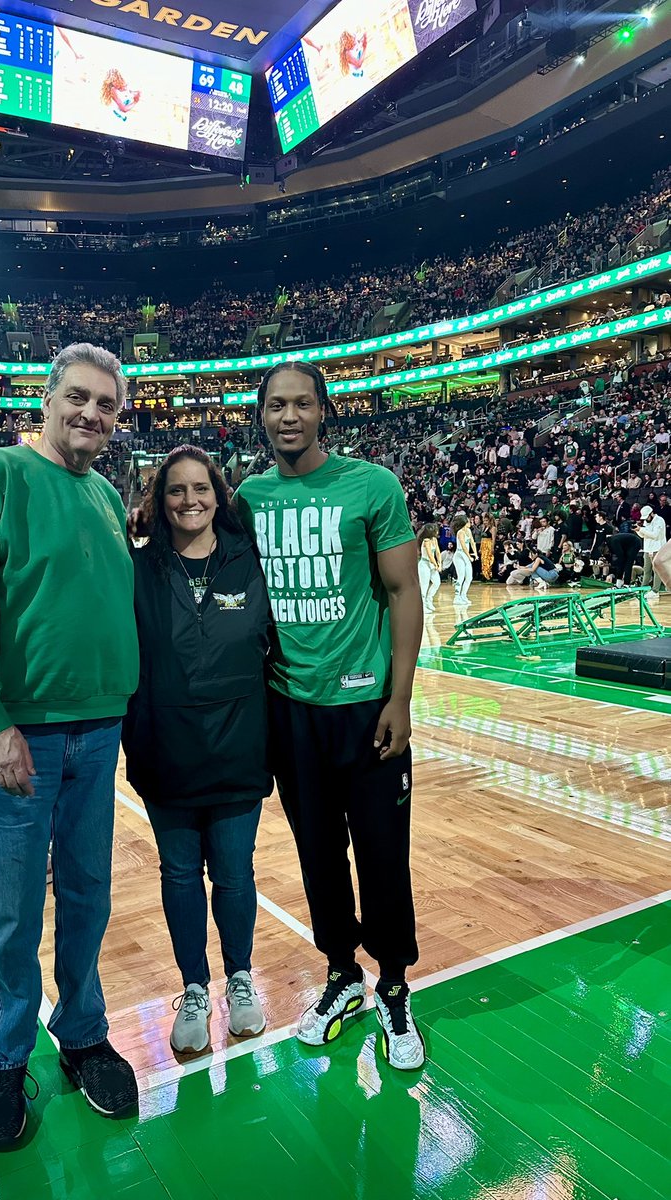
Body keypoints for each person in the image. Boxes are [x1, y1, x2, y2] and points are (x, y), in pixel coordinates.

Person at [0, 344, 140, 1150]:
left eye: (107, 406)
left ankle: (82, 1032)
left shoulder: (106, 499)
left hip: (100, 728)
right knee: (15, 908)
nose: (92, 414)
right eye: (79, 398)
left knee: (88, 893)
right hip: (22, 736)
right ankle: (6, 1057)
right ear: (47, 400)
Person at [236, 362, 426, 1071]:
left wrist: (400, 698)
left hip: (367, 710)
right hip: (290, 713)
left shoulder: (371, 486)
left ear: (323, 412)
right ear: (261, 416)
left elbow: (405, 593)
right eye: (277, 405)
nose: (289, 416)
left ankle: (396, 984)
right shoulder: (247, 498)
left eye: (302, 404)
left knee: (382, 854)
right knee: (317, 854)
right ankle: (342, 973)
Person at [123, 446, 272, 1054]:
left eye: (201, 489)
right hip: (167, 751)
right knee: (181, 875)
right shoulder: (139, 568)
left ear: (219, 494)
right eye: (176, 491)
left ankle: (240, 976)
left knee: (234, 874)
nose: (190, 500)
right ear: (159, 502)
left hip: (238, 747)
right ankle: (193, 986)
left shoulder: (252, 561)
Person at [636, 505, 667, 599]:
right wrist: (638, 530)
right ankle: (643, 589)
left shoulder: (659, 520)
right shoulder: (646, 521)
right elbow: (643, 535)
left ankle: (655, 591)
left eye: (647, 517)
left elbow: (654, 535)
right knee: (647, 570)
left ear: (651, 514)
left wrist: (641, 529)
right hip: (647, 549)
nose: (646, 519)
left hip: (657, 549)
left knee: (657, 570)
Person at [452, 515, 477, 607]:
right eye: (468, 521)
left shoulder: (469, 531)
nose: (470, 522)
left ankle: (463, 595)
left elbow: (472, 542)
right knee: (461, 576)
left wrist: (475, 553)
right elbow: (463, 546)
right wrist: (469, 557)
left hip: (466, 555)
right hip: (459, 555)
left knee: (469, 577)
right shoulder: (460, 532)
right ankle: (456, 597)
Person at [417, 524, 442, 614]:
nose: (437, 531)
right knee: (424, 586)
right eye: (436, 530)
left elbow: (438, 553)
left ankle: (429, 600)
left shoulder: (434, 540)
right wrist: (435, 564)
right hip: (424, 564)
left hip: (432, 564)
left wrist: (440, 564)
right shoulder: (426, 541)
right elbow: (430, 555)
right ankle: (422, 606)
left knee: (437, 582)